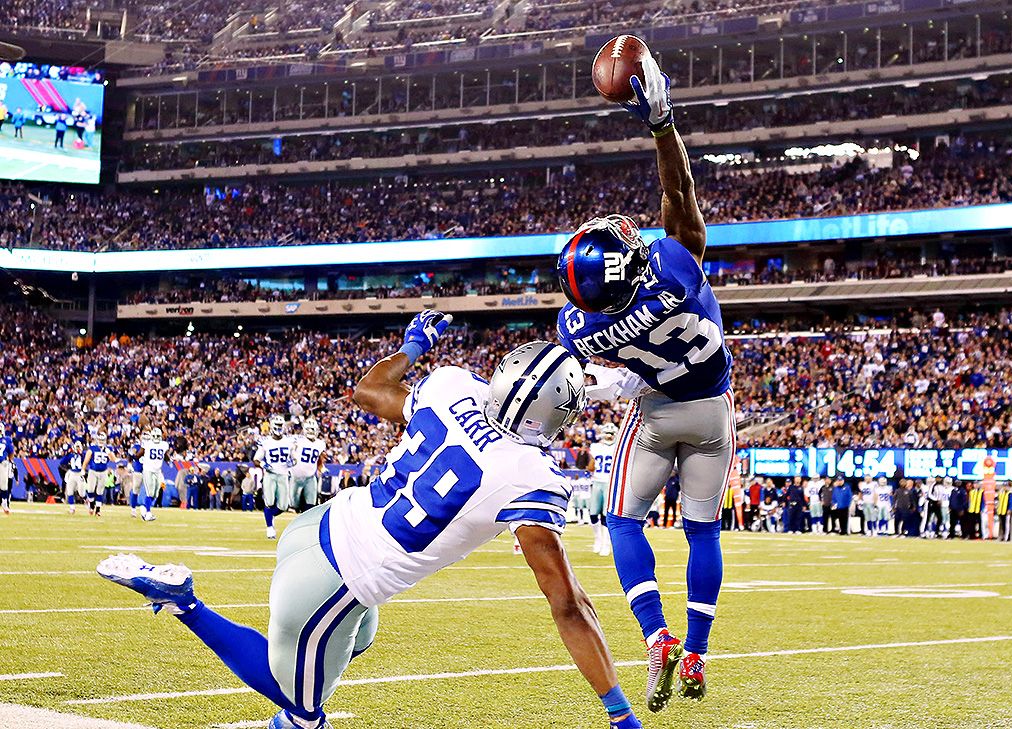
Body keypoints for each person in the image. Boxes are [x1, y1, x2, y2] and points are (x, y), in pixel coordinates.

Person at [96, 312, 644, 729]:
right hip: (334, 581)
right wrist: (620, 712)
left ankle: (299, 675)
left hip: (318, 525)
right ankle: (184, 601)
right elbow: (568, 604)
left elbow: (369, 392)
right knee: (301, 710)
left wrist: (410, 348)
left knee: (352, 642)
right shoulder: (531, 474)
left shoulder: (454, 386)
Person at [554, 53, 731, 712]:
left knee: (623, 520)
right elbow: (680, 194)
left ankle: (656, 634)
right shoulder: (673, 270)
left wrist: (610, 380)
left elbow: (577, 370)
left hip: (653, 411)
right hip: (710, 409)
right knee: (702, 533)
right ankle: (698, 649)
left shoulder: (581, 325)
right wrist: (662, 125)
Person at [256, 415, 296, 539]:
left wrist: (292, 462)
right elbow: (256, 459)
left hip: (283, 475)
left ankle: (270, 516)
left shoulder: (289, 441)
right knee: (269, 502)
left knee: (283, 506)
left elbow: (294, 458)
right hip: (270, 475)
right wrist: (263, 464)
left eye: (280, 426)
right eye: (277, 426)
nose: (279, 428)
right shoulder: (266, 442)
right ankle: (269, 528)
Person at [587, 424, 616, 555]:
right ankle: (598, 540)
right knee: (593, 514)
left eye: (611, 433)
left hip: (610, 483)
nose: (609, 436)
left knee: (605, 515)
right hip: (597, 481)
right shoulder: (595, 447)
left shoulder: (617, 447)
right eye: (607, 433)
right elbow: (590, 467)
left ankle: (606, 544)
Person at [291, 417, 327, 513]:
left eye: (313, 430)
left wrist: (320, 467)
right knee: (293, 504)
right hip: (296, 476)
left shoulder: (320, 444)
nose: (311, 432)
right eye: (309, 430)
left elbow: (319, 458)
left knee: (310, 503)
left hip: (310, 477)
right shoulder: (298, 440)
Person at [137, 427, 171, 522]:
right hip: (148, 470)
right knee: (150, 492)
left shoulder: (164, 445)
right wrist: (134, 456)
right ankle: (148, 513)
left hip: (158, 471)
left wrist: (169, 461)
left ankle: (144, 507)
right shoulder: (147, 444)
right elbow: (140, 453)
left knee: (156, 494)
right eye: (155, 436)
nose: (156, 437)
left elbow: (165, 455)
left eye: (157, 436)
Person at [82, 430, 114, 517]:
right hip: (93, 471)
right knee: (90, 490)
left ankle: (98, 510)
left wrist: (108, 452)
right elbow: (86, 459)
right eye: (100, 440)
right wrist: (83, 469)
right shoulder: (92, 448)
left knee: (100, 492)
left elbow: (113, 459)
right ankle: (92, 505)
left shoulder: (108, 449)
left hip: (103, 472)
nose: (101, 442)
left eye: (102, 440)